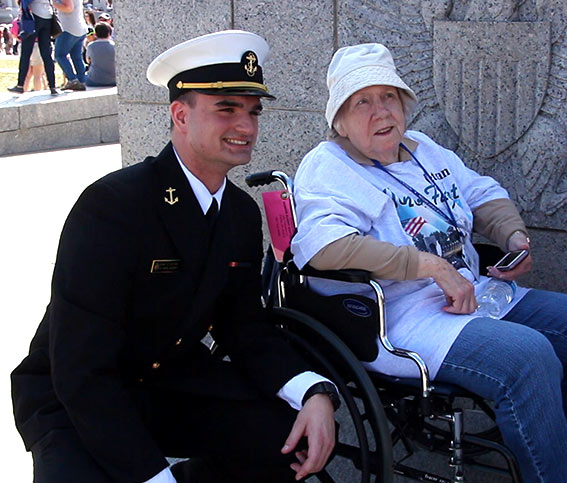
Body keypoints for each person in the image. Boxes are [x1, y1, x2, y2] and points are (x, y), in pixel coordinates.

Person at [290, 43, 567, 483]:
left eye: (389, 97)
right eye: (362, 101)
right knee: (528, 358)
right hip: (401, 318)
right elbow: (325, 247)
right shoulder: (329, 166)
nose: (381, 111)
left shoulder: (424, 150)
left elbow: (481, 193)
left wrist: (512, 234)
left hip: (471, 292)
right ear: (339, 120)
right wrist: (430, 267)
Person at [11, 30, 338, 483]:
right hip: (77, 397)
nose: (246, 126)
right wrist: (150, 476)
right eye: (226, 109)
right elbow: (79, 368)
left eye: (253, 111)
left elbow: (243, 325)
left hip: (167, 382)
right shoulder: (113, 207)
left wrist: (313, 391)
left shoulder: (240, 213)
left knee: (285, 436)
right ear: (180, 115)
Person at [7, 0, 58, 95]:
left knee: (26, 53)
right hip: (47, 16)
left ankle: (20, 85)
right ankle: (52, 86)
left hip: (33, 16)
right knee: (46, 54)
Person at [54, 0, 88, 91]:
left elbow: (69, 8)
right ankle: (82, 80)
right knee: (76, 57)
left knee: (59, 55)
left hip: (68, 28)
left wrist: (53, 3)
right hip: (80, 28)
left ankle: (72, 79)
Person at [84, 20, 114, 86]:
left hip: (94, 80)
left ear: (96, 34)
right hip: (113, 80)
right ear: (109, 33)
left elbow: (88, 61)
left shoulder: (90, 46)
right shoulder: (114, 46)